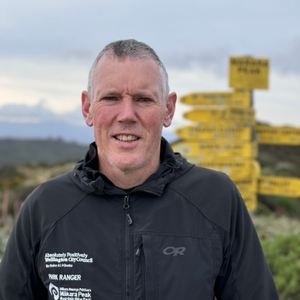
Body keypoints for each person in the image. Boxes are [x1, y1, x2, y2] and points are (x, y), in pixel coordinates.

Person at [0, 39, 278, 300]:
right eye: (110, 98)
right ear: (88, 109)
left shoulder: (216, 198)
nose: (126, 115)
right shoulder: (44, 207)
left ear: (168, 109)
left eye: (144, 99)